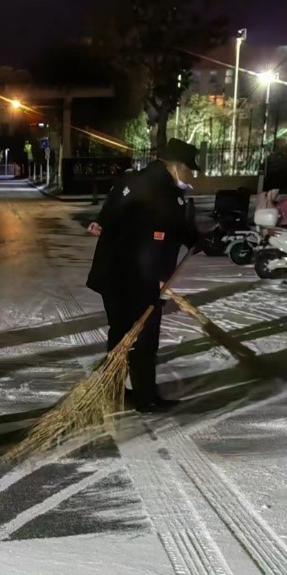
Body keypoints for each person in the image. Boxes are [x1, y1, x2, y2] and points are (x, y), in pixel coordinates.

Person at [85, 138, 200, 412]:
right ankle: (145, 398)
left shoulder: (132, 180)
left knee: (121, 334)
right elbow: (160, 237)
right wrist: (157, 280)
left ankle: (113, 391)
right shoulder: (162, 190)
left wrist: (195, 239)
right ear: (175, 165)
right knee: (144, 338)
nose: (190, 175)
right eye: (188, 169)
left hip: (113, 275)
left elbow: (110, 215)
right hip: (135, 276)